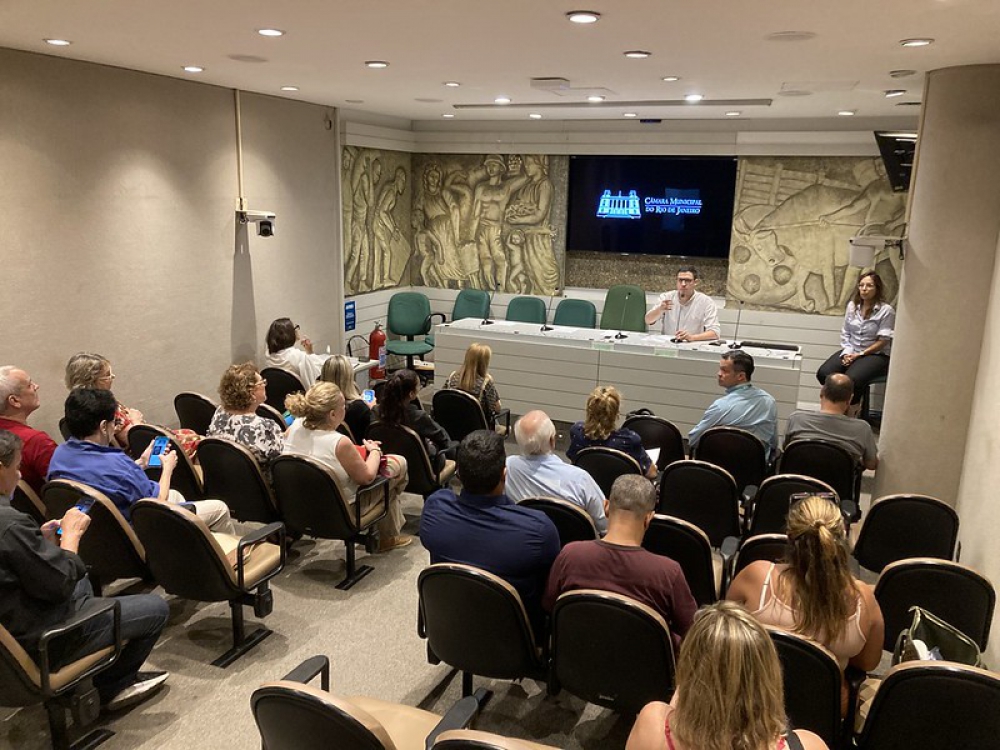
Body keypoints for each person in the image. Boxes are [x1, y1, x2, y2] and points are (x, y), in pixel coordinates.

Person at [0, 429, 171, 711]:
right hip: (43, 639)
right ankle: (112, 686)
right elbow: (59, 584)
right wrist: (71, 537)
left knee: (85, 575)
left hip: (16, 622)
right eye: (16, 468)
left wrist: (41, 544)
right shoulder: (10, 525)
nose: (19, 476)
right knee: (155, 609)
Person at [727, 495, 884, 714]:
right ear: (842, 536)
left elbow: (725, 636)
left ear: (789, 537)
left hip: (754, 707)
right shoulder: (862, 599)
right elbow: (868, 663)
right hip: (822, 713)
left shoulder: (755, 577)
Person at [626, 601, 828, 750]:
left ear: (688, 668)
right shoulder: (809, 746)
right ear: (769, 674)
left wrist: (682, 702)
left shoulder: (652, 725)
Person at [420, 430, 560, 634]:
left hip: (450, 629)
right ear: (504, 475)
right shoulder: (538, 530)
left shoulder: (435, 508)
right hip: (515, 640)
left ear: (458, 472)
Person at [47, 389, 234, 532]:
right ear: (104, 426)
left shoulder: (59, 455)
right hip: (138, 530)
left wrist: (142, 463)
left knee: (176, 495)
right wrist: (168, 467)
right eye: (115, 422)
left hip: (99, 531)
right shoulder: (118, 464)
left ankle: (186, 546)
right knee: (219, 509)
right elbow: (157, 502)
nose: (116, 426)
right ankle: (226, 569)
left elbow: (105, 481)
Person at [543, 475, 696, 648]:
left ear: (606, 507)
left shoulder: (570, 555)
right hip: (644, 671)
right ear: (649, 518)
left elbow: (549, 606)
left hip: (575, 664)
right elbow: (693, 631)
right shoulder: (668, 572)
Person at [282, 382, 411, 552]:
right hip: (341, 511)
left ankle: (390, 535)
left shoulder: (294, 428)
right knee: (397, 467)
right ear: (333, 414)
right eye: (344, 405)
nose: (346, 409)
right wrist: (374, 451)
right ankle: (388, 537)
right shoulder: (339, 442)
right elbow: (367, 477)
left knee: (388, 483)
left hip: (299, 505)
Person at [64, 352, 200, 457]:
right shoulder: (104, 409)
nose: (112, 378)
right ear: (91, 380)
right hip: (149, 454)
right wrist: (137, 420)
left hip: (141, 448)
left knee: (190, 435)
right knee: (197, 440)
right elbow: (138, 441)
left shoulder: (74, 407)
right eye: (107, 375)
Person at [505, 410, 607, 534]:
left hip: (524, 542)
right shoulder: (579, 479)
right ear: (552, 440)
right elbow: (606, 524)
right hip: (571, 551)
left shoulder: (508, 467)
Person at [816, 271, 894, 410]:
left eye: (869, 285)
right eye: (861, 285)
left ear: (877, 288)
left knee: (851, 381)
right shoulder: (852, 307)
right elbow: (846, 333)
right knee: (824, 373)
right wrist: (847, 353)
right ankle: (833, 408)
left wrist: (860, 355)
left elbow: (883, 341)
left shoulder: (886, 310)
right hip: (852, 350)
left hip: (875, 354)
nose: (864, 289)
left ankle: (851, 411)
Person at [687, 351, 778, 461]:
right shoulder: (769, 401)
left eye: (724, 370)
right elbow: (773, 443)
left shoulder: (720, 407)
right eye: (720, 368)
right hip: (756, 470)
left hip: (719, 470)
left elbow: (694, 440)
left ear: (741, 376)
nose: (719, 373)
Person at [785, 374, 878, 470]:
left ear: (821, 393)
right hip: (837, 485)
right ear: (850, 399)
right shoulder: (862, 428)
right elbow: (871, 465)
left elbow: (787, 449)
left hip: (796, 483)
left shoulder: (796, 419)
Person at [374, 369, 456, 471]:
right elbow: (442, 438)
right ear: (412, 394)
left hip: (388, 462)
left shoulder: (376, 411)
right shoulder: (418, 417)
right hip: (419, 470)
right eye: (419, 386)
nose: (420, 387)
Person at [567, 386, 655, 479]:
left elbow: (573, 459)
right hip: (617, 492)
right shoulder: (629, 440)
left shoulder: (577, 432)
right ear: (616, 413)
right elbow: (652, 473)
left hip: (585, 489)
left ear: (589, 410)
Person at [207, 362, 284, 468]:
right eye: (262, 382)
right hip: (260, 483)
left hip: (225, 477)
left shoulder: (219, 413)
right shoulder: (266, 426)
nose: (265, 385)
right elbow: (279, 463)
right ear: (252, 392)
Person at [0, 366, 57, 493]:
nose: (37, 386)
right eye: (30, 385)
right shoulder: (36, 442)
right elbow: (67, 490)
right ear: (14, 401)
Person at [644, 266, 721, 342]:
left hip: (692, 345)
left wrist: (692, 337)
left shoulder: (706, 302)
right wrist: (660, 309)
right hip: (668, 344)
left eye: (687, 280)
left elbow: (715, 333)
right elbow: (648, 320)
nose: (683, 284)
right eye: (680, 280)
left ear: (695, 282)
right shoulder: (666, 297)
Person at [443, 342, 503, 427]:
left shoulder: (452, 377)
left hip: (450, 427)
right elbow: (496, 409)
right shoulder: (485, 383)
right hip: (476, 430)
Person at [262, 317, 331, 388]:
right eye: (295, 328)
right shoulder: (297, 356)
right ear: (289, 333)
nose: (297, 330)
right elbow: (315, 379)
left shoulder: (269, 356)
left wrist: (309, 352)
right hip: (301, 396)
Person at [319, 354, 373, 442]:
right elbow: (369, 440)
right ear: (349, 376)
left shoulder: (317, 404)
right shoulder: (360, 409)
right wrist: (372, 409)